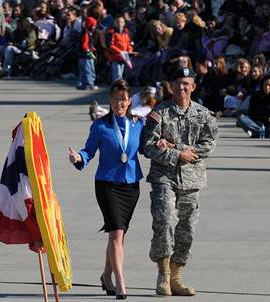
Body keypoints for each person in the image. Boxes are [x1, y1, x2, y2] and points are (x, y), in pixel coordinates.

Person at [143, 67, 218, 296]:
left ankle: (177, 277)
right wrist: (176, 155)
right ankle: (163, 275)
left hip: (192, 180)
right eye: (178, 83)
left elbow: (209, 144)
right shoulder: (160, 113)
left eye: (187, 83)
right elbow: (147, 146)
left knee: (187, 228)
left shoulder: (204, 115)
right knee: (165, 221)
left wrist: (178, 148)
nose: (182, 87)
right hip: (164, 177)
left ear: (193, 87)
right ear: (171, 86)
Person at [69, 80, 144, 300]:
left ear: (129, 101)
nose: (118, 103)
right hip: (107, 185)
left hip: (131, 186)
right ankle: (121, 283)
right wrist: (78, 158)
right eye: (114, 100)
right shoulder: (100, 126)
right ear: (109, 102)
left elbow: (147, 147)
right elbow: (88, 151)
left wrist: (161, 144)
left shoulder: (138, 124)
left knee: (118, 237)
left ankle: (106, 276)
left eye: (122, 99)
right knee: (116, 232)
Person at [236, 74, 270, 138]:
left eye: (269, 85)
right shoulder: (255, 96)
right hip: (258, 123)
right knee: (241, 119)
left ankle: (258, 133)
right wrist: (267, 119)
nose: (267, 87)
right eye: (265, 85)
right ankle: (266, 134)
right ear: (262, 85)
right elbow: (252, 114)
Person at [76, 16, 99, 90]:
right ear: (89, 25)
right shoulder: (86, 34)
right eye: (93, 26)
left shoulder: (86, 33)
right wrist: (89, 51)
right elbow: (85, 45)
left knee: (83, 71)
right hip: (86, 56)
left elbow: (87, 44)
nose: (94, 27)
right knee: (89, 70)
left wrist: (92, 48)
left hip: (82, 56)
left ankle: (83, 84)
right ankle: (90, 84)